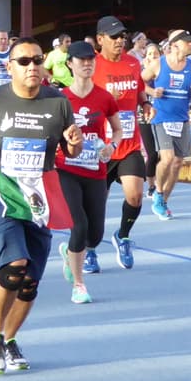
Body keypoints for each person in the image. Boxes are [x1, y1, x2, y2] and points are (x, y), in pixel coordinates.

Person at [0, 37, 82, 373]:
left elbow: (72, 150)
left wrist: (75, 143)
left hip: (39, 196)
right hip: (0, 192)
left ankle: (10, 339)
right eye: (23, 61)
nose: (32, 67)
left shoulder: (57, 102)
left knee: (30, 282)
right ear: (8, 67)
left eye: (37, 60)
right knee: (14, 266)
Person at [54, 40, 122, 303]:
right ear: (70, 64)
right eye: (81, 60)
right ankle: (79, 284)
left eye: (90, 60)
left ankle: (71, 253)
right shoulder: (60, 99)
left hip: (95, 169)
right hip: (66, 168)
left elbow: (117, 129)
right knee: (79, 225)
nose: (86, 64)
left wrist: (111, 146)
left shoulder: (104, 97)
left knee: (94, 235)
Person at [91, 15, 150, 272]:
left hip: (128, 144)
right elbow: (81, 102)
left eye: (122, 36)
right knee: (95, 205)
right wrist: (104, 99)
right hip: (101, 148)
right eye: (114, 37)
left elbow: (138, 90)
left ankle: (122, 236)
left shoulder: (132, 63)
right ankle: (89, 248)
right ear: (100, 39)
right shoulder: (91, 66)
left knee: (135, 196)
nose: (120, 41)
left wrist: (146, 104)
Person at [142, 29, 191, 220]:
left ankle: (163, 201)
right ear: (175, 44)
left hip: (182, 118)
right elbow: (139, 83)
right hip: (161, 116)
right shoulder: (158, 64)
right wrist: (152, 92)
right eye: (188, 42)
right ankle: (158, 192)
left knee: (177, 163)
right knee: (167, 158)